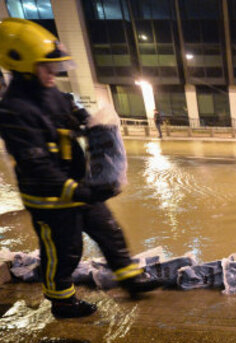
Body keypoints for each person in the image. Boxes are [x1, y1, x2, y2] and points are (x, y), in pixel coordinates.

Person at [0, 18, 161, 319]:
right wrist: (78, 189)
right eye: (46, 68)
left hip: (77, 186)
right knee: (64, 250)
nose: (54, 73)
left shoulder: (51, 94)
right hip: (50, 199)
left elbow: (73, 115)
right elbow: (37, 165)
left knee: (109, 231)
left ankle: (130, 279)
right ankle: (62, 302)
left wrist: (90, 123)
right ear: (23, 67)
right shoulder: (14, 111)